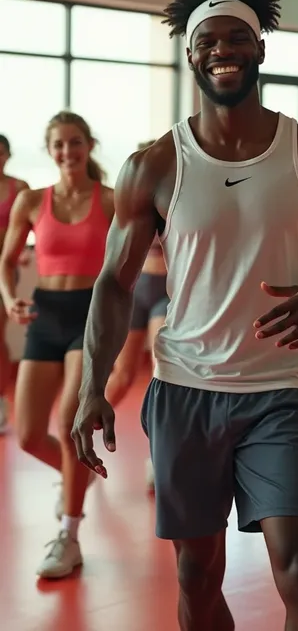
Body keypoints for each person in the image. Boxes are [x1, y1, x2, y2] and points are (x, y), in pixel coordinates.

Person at [71, 0, 298, 631]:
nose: (223, 51)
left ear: (261, 49)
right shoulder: (154, 164)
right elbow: (114, 282)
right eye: (208, 40)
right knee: (196, 571)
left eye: (237, 39)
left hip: (281, 392)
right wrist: (92, 385)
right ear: (190, 53)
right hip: (186, 388)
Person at [0, 111, 114, 578]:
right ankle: (75, 476)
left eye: (75, 142)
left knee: (69, 424)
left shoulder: (110, 199)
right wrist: (10, 299)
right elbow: (6, 263)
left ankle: (69, 534)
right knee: (28, 435)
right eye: (58, 145)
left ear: (89, 145)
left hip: (90, 314)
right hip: (45, 313)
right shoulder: (31, 201)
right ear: (50, 151)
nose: (67, 152)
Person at [105, 139, 169, 492]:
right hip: (135, 292)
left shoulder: (178, 199)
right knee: (123, 374)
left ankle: (157, 459)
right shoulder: (130, 201)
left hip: (166, 295)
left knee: (161, 372)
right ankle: (77, 443)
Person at [0, 134, 29, 434]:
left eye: (0, 153)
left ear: (8, 155)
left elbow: (32, 225)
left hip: (4, 268)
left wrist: (18, 255)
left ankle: (0, 399)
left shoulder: (18, 188)